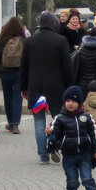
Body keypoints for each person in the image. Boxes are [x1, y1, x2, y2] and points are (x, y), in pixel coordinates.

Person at [22, 13, 74, 163]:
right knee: (58, 118)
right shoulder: (60, 40)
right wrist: (70, 85)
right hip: (56, 87)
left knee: (38, 121)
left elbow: (24, 66)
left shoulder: (30, 41)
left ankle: (43, 155)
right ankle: (53, 144)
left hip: (36, 87)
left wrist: (24, 86)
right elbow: (67, 66)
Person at [46, 84, 96, 190]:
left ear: (80, 103)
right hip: (68, 156)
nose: (70, 104)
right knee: (72, 183)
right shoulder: (60, 118)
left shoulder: (87, 118)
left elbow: (95, 134)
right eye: (68, 101)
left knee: (87, 179)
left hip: (85, 155)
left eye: (73, 101)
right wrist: (50, 133)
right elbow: (54, 132)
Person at [0, 16, 25, 133]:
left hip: (5, 72)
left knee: (7, 97)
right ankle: (16, 124)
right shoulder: (23, 39)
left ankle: (10, 122)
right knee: (18, 97)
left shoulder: (2, 39)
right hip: (19, 72)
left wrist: (0, 64)